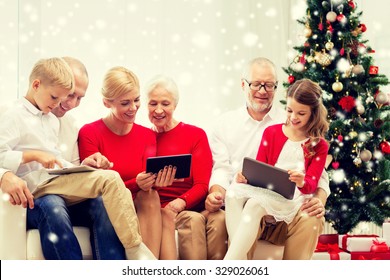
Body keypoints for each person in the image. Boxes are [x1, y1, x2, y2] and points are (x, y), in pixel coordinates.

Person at [0, 57, 155, 260]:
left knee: (103, 197)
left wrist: (83, 167)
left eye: (78, 97)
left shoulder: (51, 120)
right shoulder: (13, 115)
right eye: (58, 97)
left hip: (53, 181)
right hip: (34, 188)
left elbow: (56, 161)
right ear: (37, 85)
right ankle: (134, 249)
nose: (65, 104)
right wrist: (30, 157)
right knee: (107, 180)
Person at [206, 57, 331, 260]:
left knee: (311, 217)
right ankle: (239, 267)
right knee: (237, 198)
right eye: (256, 84)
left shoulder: (291, 122)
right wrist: (220, 190)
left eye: (269, 85)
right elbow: (222, 169)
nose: (263, 91)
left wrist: (319, 198)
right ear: (243, 84)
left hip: (287, 204)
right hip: (249, 199)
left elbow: (318, 175)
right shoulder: (225, 124)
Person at [78, 66, 162, 258]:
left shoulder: (148, 135)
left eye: (137, 100)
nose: (133, 108)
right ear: (107, 103)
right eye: (125, 103)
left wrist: (154, 181)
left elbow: (147, 182)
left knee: (150, 195)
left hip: (138, 202)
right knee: (113, 199)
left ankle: (145, 269)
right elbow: (94, 189)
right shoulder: (89, 133)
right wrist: (135, 183)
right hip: (106, 203)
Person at [142, 75, 227, 260]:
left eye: (165, 103)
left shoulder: (195, 135)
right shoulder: (141, 137)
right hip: (158, 211)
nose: (158, 110)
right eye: (152, 103)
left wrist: (180, 203)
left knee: (215, 218)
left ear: (175, 105)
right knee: (193, 220)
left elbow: (202, 184)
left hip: (189, 206)